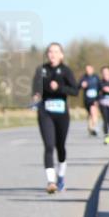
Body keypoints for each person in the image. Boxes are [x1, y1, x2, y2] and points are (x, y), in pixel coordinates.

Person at [32, 43, 78, 194]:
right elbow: (35, 89)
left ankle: (61, 177)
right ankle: (51, 182)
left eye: (56, 52)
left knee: (61, 147)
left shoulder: (66, 71)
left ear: (61, 55)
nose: (52, 54)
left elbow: (75, 90)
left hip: (62, 113)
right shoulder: (41, 70)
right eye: (50, 52)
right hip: (45, 112)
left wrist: (58, 87)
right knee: (49, 145)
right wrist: (37, 95)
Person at [79, 64, 101, 136]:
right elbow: (78, 86)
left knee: (94, 112)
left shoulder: (96, 77)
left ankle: (94, 127)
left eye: (89, 69)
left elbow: (100, 87)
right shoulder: (83, 78)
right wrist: (82, 85)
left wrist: (99, 97)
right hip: (87, 99)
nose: (88, 71)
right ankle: (90, 128)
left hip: (95, 98)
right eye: (86, 69)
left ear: (92, 69)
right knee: (91, 114)